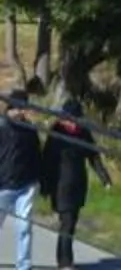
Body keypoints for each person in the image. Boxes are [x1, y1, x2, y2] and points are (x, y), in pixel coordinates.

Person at [39, 105, 106, 270]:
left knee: (70, 223)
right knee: (67, 223)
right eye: (69, 120)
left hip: (78, 184)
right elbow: (47, 160)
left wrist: (104, 177)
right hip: (60, 185)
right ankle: (65, 262)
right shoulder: (56, 132)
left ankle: (64, 260)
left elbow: (93, 156)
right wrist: (45, 185)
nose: (73, 124)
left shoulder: (83, 133)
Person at [0, 90, 41, 270]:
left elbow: (36, 155)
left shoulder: (30, 129)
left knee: (24, 227)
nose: (20, 112)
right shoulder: (1, 126)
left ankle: (23, 265)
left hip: (26, 186)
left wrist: (38, 179)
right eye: (18, 108)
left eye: (23, 108)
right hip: (3, 185)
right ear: (10, 108)